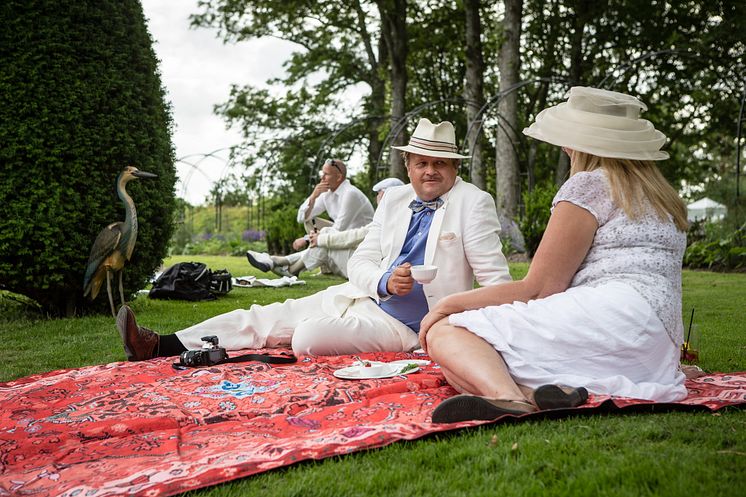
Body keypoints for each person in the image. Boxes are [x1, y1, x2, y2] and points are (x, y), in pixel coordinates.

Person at [117, 117, 512, 359]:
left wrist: (469, 334)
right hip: (365, 297)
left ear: (454, 167)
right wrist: (383, 282)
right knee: (268, 314)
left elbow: (498, 285)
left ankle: (305, 329)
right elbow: (361, 260)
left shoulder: (473, 203)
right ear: (407, 164)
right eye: (421, 162)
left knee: (306, 335)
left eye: (440, 163)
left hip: (411, 328)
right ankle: (161, 345)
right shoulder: (394, 199)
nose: (430, 171)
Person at [419, 87, 690, 424]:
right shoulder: (664, 199)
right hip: (656, 349)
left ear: (579, 143)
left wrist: (448, 305)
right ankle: (543, 393)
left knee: (447, 333)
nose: (564, 146)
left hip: (614, 317)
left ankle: (508, 398)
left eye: (568, 139)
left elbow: (540, 288)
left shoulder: (589, 185)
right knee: (472, 358)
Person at [246, 177, 404, 279]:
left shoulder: (388, 215)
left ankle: (284, 266)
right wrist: (314, 197)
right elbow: (303, 217)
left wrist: (318, 238)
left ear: (387, 195)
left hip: (367, 269)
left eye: (379, 193)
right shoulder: (393, 214)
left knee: (326, 241)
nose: (377, 197)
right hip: (363, 259)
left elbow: (356, 236)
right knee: (325, 237)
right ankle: (281, 263)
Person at [291, 159, 374, 252]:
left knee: (324, 241)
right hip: (341, 236)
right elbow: (301, 219)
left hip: (358, 241)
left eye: (326, 174)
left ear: (338, 177)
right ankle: (284, 261)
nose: (322, 178)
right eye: (322, 174)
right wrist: (313, 197)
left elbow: (339, 229)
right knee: (309, 220)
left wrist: (307, 239)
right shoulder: (326, 193)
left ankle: (284, 261)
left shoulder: (350, 193)